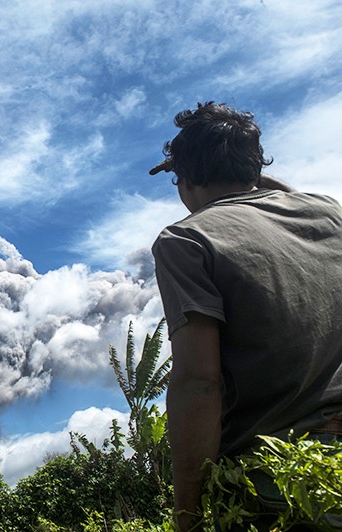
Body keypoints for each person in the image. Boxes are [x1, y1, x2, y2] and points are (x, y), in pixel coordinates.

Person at [149, 101, 342, 530]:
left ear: (185, 179)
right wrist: (245, 170)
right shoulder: (330, 214)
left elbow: (198, 382)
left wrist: (187, 517)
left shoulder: (185, 240)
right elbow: (286, 198)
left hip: (278, 488)